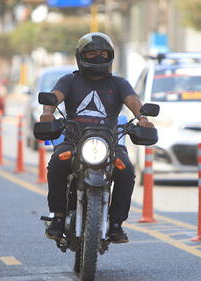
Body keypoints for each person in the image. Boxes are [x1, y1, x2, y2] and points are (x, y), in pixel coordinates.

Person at [40, 32, 155, 244]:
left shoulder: (119, 83)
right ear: (81, 56)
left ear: (110, 55)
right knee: (57, 162)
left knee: (126, 170)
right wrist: (48, 112)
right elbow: (54, 97)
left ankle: (116, 224)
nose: (98, 57)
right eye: (91, 53)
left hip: (110, 141)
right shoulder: (69, 80)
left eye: (103, 53)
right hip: (73, 140)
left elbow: (133, 100)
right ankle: (57, 216)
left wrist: (143, 118)